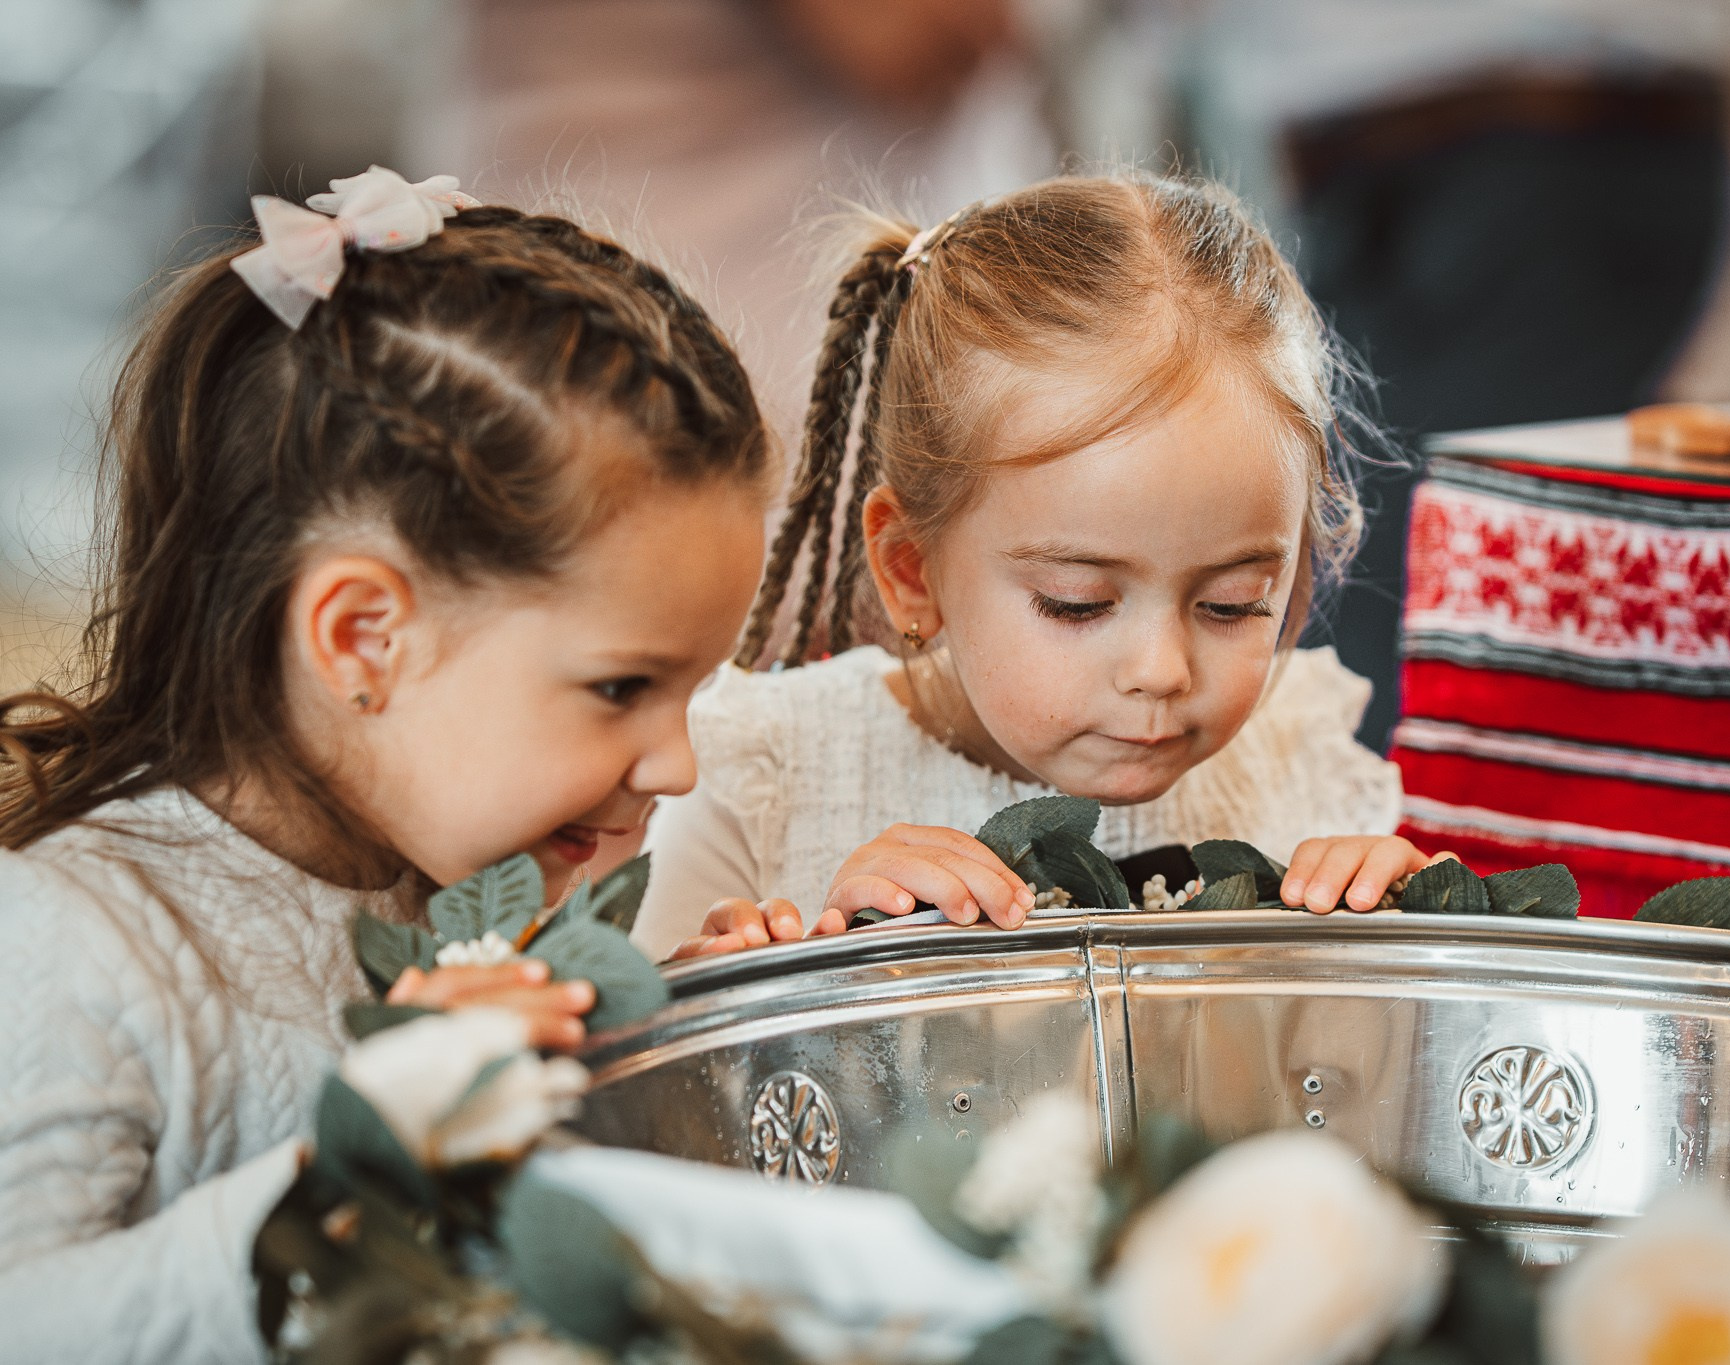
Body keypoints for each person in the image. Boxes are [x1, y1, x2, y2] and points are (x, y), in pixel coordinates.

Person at [0, 168, 772, 1361]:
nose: (674, 764)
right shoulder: (77, 938)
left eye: (693, 690)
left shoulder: (461, 882)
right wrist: (354, 1161)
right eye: (623, 688)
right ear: (364, 637)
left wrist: (678, 1041)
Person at [637, 172, 1435, 960]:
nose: (1161, 671)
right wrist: (814, 966)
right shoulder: (761, 778)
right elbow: (638, 1065)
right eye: (1075, 602)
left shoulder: (1307, 767)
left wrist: (1409, 940)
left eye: (1232, 603)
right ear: (913, 567)